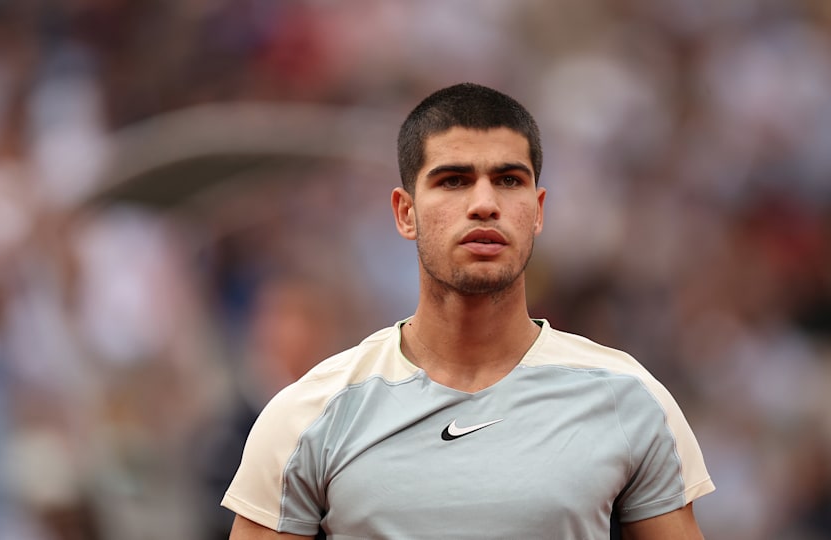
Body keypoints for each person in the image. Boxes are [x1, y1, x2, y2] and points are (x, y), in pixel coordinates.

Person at [220, 82, 715, 539]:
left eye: (508, 180)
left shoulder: (630, 400)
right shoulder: (307, 415)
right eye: (454, 180)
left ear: (538, 210)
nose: (484, 203)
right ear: (405, 212)